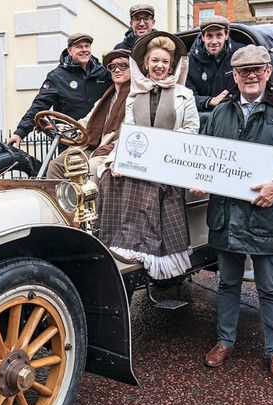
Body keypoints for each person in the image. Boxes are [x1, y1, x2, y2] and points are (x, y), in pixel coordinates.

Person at [194, 45, 273, 382]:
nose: (250, 75)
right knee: (228, 283)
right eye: (243, 71)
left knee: (269, 287)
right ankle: (224, 341)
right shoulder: (220, 114)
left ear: (267, 73)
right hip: (226, 216)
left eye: (257, 69)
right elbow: (206, 158)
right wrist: (201, 181)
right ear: (234, 76)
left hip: (266, 213)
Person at [97, 31, 199, 280]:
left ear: (171, 65)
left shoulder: (184, 95)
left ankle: (156, 254)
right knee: (109, 177)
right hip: (141, 158)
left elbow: (191, 130)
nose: (159, 66)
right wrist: (117, 161)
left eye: (165, 62)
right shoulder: (135, 95)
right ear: (146, 64)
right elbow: (129, 132)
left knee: (155, 185)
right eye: (155, 61)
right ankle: (125, 247)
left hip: (170, 161)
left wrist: (163, 149)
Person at [7, 34, 110, 147]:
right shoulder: (57, 77)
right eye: (79, 47)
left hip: (100, 138)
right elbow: (39, 105)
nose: (84, 50)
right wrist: (20, 133)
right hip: (70, 140)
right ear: (70, 51)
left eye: (87, 46)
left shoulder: (103, 72)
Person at [46, 49, 132, 181]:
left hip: (114, 152)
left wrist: (114, 147)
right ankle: (61, 201)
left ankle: (91, 202)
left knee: (92, 167)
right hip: (92, 148)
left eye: (123, 65)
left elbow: (134, 133)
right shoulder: (107, 97)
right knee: (56, 165)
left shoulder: (135, 97)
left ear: (133, 69)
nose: (117, 70)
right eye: (112, 67)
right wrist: (58, 128)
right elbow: (84, 124)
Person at [185, 15, 243, 119]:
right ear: (203, 37)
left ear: (226, 35)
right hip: (201, 117)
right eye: (209, 36)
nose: (214, 41)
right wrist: (209, 101)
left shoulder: (239, 54)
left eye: (219, 35)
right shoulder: (189, 61)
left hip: (233, 114)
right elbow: (186, 96)